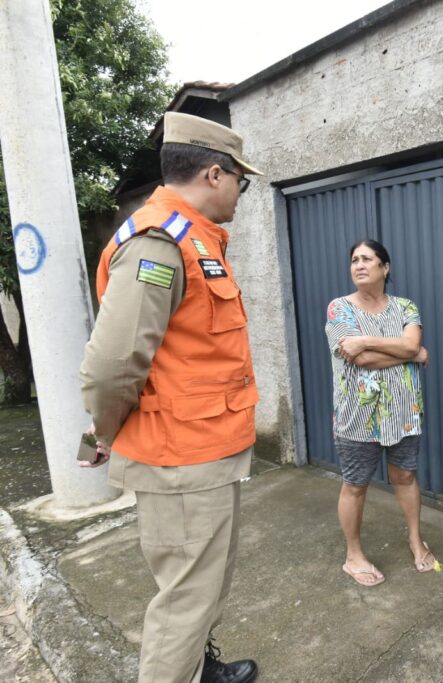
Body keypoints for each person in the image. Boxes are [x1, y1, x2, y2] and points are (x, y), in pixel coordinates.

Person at [80, 112, 262, 683]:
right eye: (241, 181)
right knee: (184, 602)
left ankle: (199, 671)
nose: (240, 192)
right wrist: (104, 433)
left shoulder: (193, 240)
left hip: (203, 453)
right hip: (177, 459)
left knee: (203, 588)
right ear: (214, 174)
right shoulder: (158, 245)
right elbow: (112, 367)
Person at [324, 239, 433, 587]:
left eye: (367, 259)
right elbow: (364, 360)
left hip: (404, 412)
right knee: (355, 486)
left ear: (385, 268)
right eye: (354, 259)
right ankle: (353, 555)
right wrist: (409, 354)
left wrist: (366, 340)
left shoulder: (405, 307)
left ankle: (417, 541)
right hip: (357, 418)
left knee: (405, 477)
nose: (359, 264)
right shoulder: (339, 308)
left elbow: (406, 344)